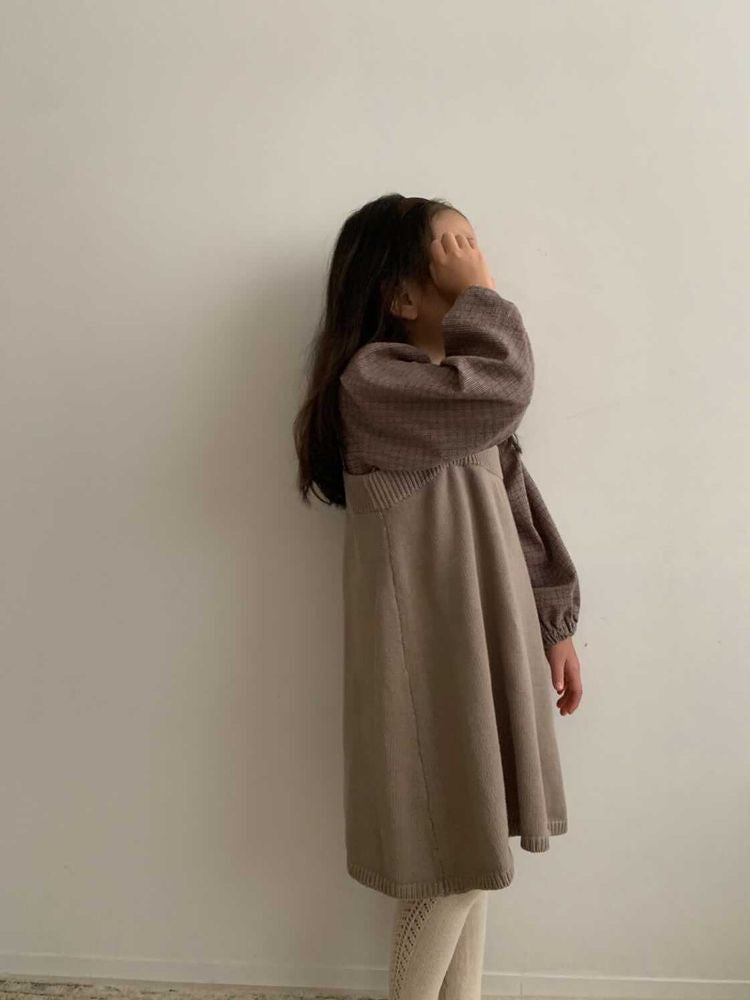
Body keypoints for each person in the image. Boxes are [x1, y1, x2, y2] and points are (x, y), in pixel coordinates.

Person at [293, 193, 583, 1000]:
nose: (474, 259)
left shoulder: (461, 396)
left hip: (484, 641)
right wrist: (483, 297)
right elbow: (507, 384)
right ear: (401, 294)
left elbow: (521, 511)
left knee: (473, 859)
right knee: (452, 863)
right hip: (424, 659)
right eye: (453, 249)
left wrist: (555, 624)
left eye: (474, 244)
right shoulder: (375, 385)